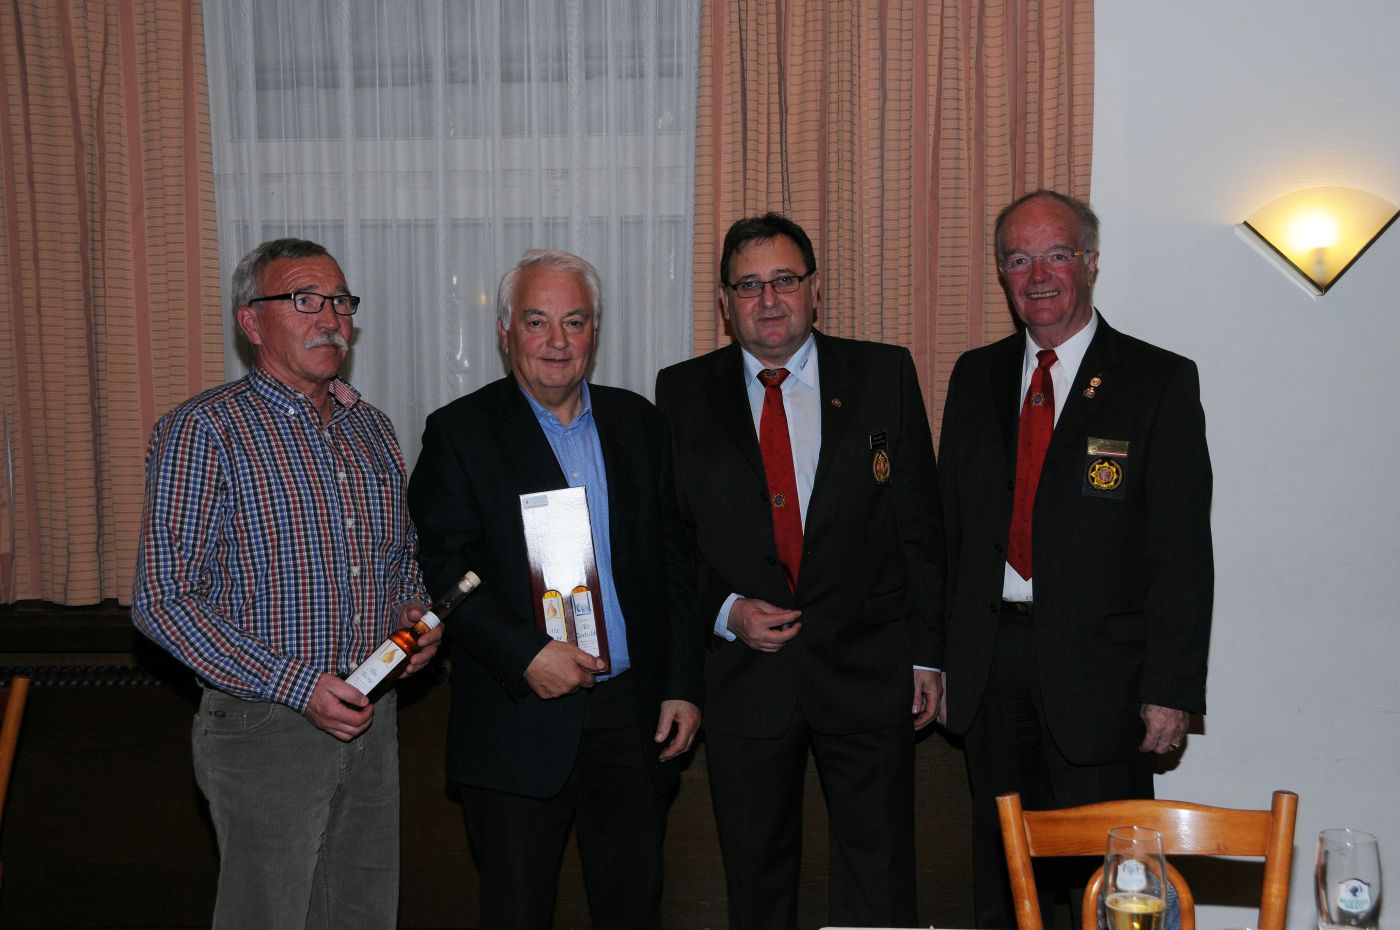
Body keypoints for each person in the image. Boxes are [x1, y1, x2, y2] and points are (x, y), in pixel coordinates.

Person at [132, 237, 438, 929]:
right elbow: (163, 600)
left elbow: (399, 559)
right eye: (304, 301)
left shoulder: (372, 429)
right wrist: (299, 686)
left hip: (373, 713)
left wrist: (414, 615)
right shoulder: (203, 430)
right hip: (265, 723)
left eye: (340, 301)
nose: (330, 318)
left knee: (364, 915)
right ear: (251, 320)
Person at [654, 213, 944, 929]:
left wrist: (928, 656)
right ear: (724, 303)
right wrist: (726, 611)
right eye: (748, 285)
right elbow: (670, 540)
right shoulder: (682, 393)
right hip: (745, 682)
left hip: (868, 669)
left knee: (879, 883)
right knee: (756, 885)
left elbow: (920, 527)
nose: (768, 299)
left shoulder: (883, 373)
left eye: (784, 279)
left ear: (815, 288)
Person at [936, 190, 1213, 927]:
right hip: (990, 667)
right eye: (1018, 259)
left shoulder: (1156, 380)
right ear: (1002, 274)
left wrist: (1171, 686)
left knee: (1112, 881)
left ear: (1090, 262)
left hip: (1104, 679)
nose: (1037, 275)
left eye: (1056, 255)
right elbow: (949, 532)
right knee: (1005, 879)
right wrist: (937, 658)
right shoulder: (974, 376)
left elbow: (1181, 549)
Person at [407, 249, 705, 930]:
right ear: (505, 331)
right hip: (516, 718)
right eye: (536, 321)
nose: (557, 341)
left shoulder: (640, 424)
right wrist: (526, 655)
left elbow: (675, 563)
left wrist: (683, 684)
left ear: (595, 330)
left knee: (633, 911)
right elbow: (443, 568)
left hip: (632, 719)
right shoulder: (460, 432)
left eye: (574, 321)